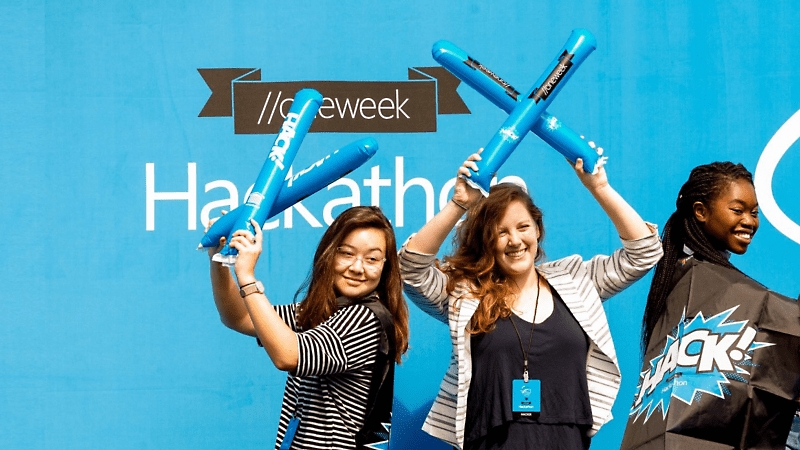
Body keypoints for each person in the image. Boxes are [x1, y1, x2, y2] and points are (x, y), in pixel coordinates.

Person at [399, 151, 663, 450]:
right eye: (501, 232)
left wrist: (599, 187)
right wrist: (458, 203)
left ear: (538, 229)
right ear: (487, 240)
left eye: (523, 227)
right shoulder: (468, 293)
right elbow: (410, 269)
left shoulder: (575, 281)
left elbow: (644, 253)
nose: (515, 240)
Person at [207, 206, 409, 450]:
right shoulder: (319, 311)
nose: (357, 267)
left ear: (386, 267)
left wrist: (247, 277)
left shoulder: (364, 319)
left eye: (372, 259)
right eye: (346, 253)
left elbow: (289, 356)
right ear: (329, 254)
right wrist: (219, 260)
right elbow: (238, 317)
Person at [640, 162, 759, 353]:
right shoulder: (697, 278)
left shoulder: (683, 269)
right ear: (701, 211)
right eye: (737, 210)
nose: (749, 221)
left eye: (754, 213)